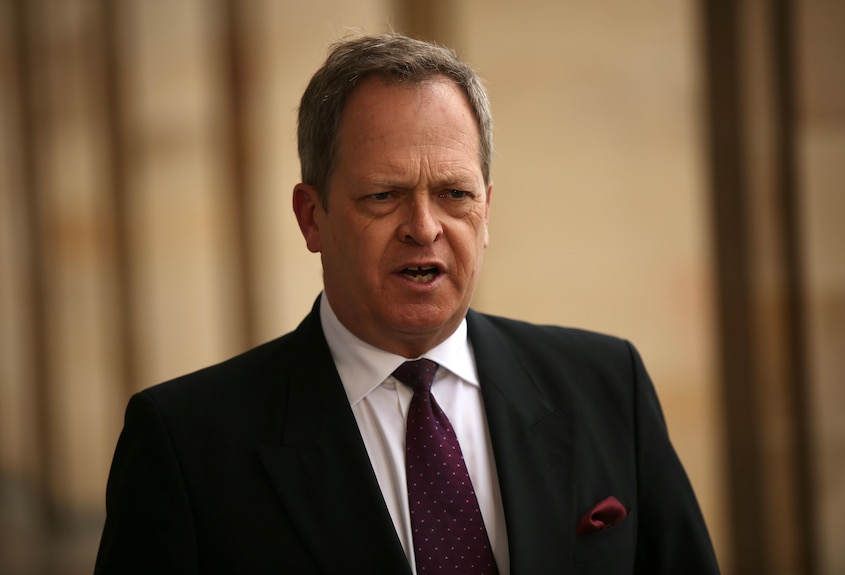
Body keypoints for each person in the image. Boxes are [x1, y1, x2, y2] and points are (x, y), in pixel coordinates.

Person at [94, 33, 719, 574]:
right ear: (313, 218)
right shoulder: (186, 445)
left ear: (487, 211)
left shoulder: (610, 387)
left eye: (454, 193)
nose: (424, 227)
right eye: (383, 196)